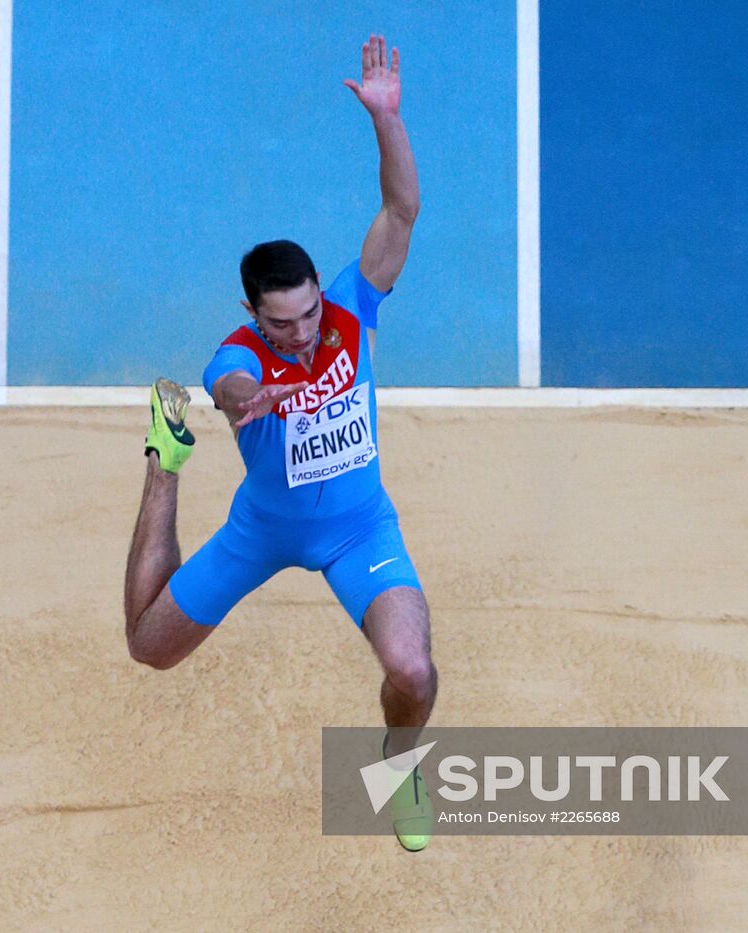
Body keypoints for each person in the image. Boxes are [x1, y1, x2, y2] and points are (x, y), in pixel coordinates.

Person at [124, 35, 435, 851]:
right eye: (279, 322)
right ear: (253, 311)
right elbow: (227, 383)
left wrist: (386, 120)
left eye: (306, 317)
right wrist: (239, 400)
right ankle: (166, 462)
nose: (298, 335)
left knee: (414, 672)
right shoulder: (238, 356)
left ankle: (401, 768)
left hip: (361, 529)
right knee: (148, 647)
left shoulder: (352, 308)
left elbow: (401, 211)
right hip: (262, 530)